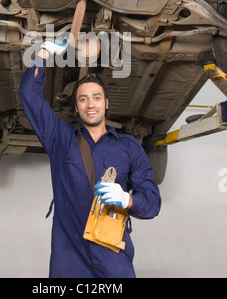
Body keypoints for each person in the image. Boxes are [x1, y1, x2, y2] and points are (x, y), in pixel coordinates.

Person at [19, 39, 161, 278]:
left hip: (113, 254)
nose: (90, 104)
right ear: (76, 107)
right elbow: (28, 94)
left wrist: (127, 199)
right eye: (83, 99)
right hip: (69, 258)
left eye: (96, 98)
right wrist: (44, 51)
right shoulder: (59, 138)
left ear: (106, 103)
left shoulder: (129, 148)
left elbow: (152, 203)